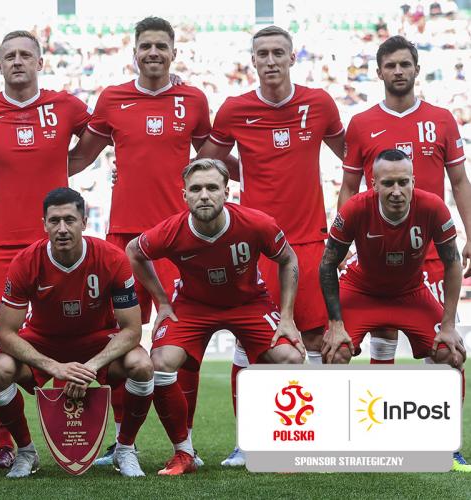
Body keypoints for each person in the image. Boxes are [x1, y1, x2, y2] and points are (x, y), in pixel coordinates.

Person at [67, 16, 212, 465]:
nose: (153, 53)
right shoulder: (112, 99)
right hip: (123, 239)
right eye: (146, 46)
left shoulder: (193, 99)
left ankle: (185, 444)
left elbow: (211, 165)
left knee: (182, 345)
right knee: (118, 340)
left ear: (174, 53)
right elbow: (77, 159)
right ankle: (119, 442)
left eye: (161, 46)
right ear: (134, 53)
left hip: (178, 242)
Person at [197, 25, 344, 466]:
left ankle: (312, 434)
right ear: (253, 61)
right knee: (251, 340)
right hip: (256, 247)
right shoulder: (235, 109)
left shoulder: (319, 103)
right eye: (262, 53)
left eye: (279, 52)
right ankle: (248, 442)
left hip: (310, 240)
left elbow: (352, 156)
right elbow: (207, 161)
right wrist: (248, 168)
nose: (271, 60)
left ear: (292, 57)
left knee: (315, 339)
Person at [0, 30, 92, 468]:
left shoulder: (67, 106)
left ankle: (80, 434)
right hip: (1, 241)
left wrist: (58, 165)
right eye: (9, 55)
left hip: (57, 241)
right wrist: (6, 161)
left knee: (71, 331)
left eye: (25, 55)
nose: (17, 61)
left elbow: (93, 145)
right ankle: (7, 445)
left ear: (39, 62)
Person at [126, 159, 304, 475]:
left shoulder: (256, 223)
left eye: (212, 187)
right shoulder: (171, 231)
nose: (204, 195)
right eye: (196, 189)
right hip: (194, 305)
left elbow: (288, 258)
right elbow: (134, 252)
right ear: (184, 195)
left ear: (226, 191)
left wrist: (287, 318)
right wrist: (162, 302)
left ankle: (275, 445)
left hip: (248, 302)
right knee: (161, 363)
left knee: (290, 358)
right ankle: (184, 453)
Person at [0, 187, 154, 478]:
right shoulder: (26, 262)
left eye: (70, 220)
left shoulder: (112, 258)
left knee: (142, 365)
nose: (62, 229)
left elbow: (132, 329)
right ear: (44, 224)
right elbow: (5, 334)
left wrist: (90, 368)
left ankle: (125, 448)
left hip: (97, 342)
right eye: (54, 221)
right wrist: (55, 367)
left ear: (84, 222)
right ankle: (26, 452)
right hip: (44, 342)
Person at [319, 148, 469, 471]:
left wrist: (448, 325)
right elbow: (327, 264)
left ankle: (446, 446)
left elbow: (453, 263)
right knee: (334, 352)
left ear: (414, 181)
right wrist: (335, 324)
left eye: (403, 182)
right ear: (373, 184)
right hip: (362, 290)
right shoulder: (355, 208)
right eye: (388, 183)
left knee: (451, 354)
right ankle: (334, 439)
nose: (397, 191)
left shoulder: (433, 207)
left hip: (410, 292)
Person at [338, 35, 471, 366]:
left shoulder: (441, 119)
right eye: (390, 65)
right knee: (382, 338)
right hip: (379, 250)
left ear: (417, 69)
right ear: (379, 73)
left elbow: (459, 182)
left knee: (446, 349)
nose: (398, 71)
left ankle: (436, 401)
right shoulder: (361, 123)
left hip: (432, 251)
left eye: (405, 64)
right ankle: (380, 401)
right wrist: (342, 244)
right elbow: (349, 187)